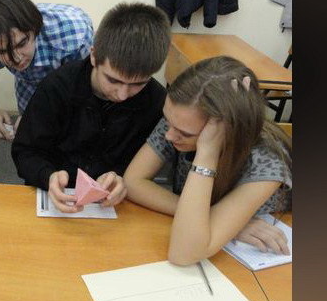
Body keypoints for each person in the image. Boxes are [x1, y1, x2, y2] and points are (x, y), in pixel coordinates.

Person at [123, 56, 292, 265]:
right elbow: (132, 182)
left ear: (225, 131)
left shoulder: (267, 160)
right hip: (208, 240)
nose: (169, 135)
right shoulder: (180, 122)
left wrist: (207, 153)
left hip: (259, 263)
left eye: (185, 133)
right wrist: (222, 222)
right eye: (167, 120)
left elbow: (183, 254)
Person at [12, 2, 171, 213]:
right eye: (113, 80)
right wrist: (48, 176)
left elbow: (143, 164)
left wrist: (121, 178)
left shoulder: (155, 101)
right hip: (53, 195)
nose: (122, 95)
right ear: (94, 56)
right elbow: (25, 151)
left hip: (114, 203)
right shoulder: (58, 86)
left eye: (138, 84)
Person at [0, 0, 94, 140]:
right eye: (1, 52)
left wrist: (40, 117)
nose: (16, 59)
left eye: (21, 44)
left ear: (35, 28)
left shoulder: (75, 38)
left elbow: (84, 93)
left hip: (71, 93)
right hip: (28, 88)